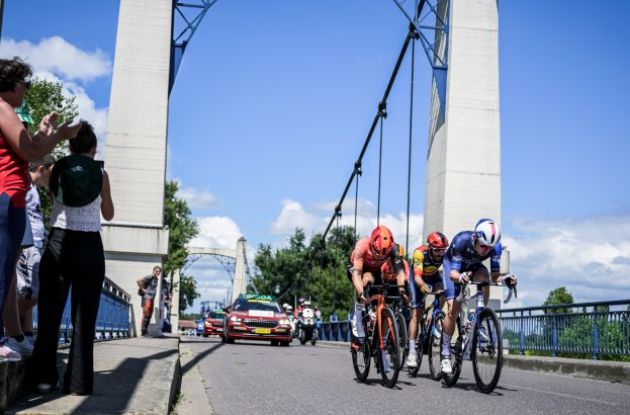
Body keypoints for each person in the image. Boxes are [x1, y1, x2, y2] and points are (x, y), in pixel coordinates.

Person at [0, 57, 81, 361]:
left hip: (13, 197)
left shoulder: (8, 111)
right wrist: (61, 136)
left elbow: (26, 149)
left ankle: (10, 334)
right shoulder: (2, 108)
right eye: (25, 84)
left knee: (7, 269)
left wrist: (47, 130)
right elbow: (31, 152)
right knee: (2, 267)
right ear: (13, 84)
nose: (27, 90)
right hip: (6, 195)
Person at [31, 121, 114, 395]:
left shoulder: (56, 169)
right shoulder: (101, 174)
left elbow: (52, 194)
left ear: (70, 146)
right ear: (94, 148)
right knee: (85, 318)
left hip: (59, 242)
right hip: (90, 246)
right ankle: (78, 384)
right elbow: (110, 214)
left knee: (49, 313)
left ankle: (44, 379)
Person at [440, 218, 518, 374]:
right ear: (476, 238)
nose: (485, 251)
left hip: (474, 267)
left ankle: (479, 315)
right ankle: (446, 352)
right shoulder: (461, 240)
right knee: (452, 309)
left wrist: (505, 279)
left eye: (489, 248)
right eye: (483, 246)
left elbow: (494, 276)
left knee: (485, 278)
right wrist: (461, 277)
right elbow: (453, 274)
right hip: (454, 267)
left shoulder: (495, 248)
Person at [348, 225, 406, 350]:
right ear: (371, 244)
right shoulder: (362, 246)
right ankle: (357, 317)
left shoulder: (393, 249)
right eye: (376, 253)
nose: (379, 257)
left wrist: (402, 289)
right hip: (357, 269)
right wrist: (360, 291)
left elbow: (400, 272)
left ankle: (376, 323)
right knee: (367, 279)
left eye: (382, 256)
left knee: (382, 298)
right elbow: (357, 274)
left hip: (375, 270)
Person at [405, 231, 448, 368]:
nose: (440, 253)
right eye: (437, 250)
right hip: (417, 278)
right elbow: (418, 277)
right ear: (429, 247)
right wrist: (423, 286)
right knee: (416, 314)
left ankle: (435, 318)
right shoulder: (420, 253)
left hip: (433, 275)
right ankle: (412, 350)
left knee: (444, 292)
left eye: (442, 250)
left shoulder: (444, 254)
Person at [137, 266, 161, 336]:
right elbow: (138, 281)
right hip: (147, 297)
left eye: (159, 271)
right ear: (153, 271)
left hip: (151, 298)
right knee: (146, 314)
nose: (158, 272)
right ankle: (143, 331)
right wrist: (142, 289)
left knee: (149, 315)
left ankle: (145, 331)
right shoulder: (149, 277)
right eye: (157, 271)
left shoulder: (156, 279)